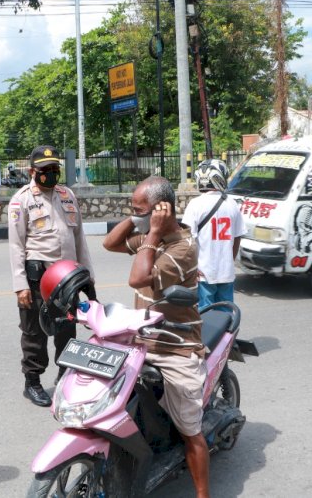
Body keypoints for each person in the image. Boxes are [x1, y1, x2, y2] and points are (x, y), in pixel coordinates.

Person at [102, 176, 210, 498]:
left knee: (191, 432)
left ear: (162, 211)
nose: (135, 216)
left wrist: (150, 231)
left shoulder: (181, 247)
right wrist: (136, 217)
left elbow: (137, 278)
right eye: (133, 209)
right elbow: (110, 243)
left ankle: (203, 493)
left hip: (175, 348)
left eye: (140, 210)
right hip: (140, 342)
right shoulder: (154, 237)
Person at [8, 145, 94, 407]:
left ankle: (65, 376)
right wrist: (20, 285)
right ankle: (32, 382)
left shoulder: (67, 195)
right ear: (33, 171)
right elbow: (15, 245)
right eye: (46, 170)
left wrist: (88, 280)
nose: (52, 173)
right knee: (34, 332)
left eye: (55, 169)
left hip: (66, 280)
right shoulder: (21, 200)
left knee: (67, 329)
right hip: (37, 280)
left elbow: (79, 239)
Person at [182, 159, 247, 310]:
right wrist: (229, 261)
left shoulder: (195, 204)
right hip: (226, 272)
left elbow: (187, 239)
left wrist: (191, 266)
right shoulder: (232, 204)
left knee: (205, 314)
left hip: (203, 272)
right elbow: (237, 237)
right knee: (225, 312)